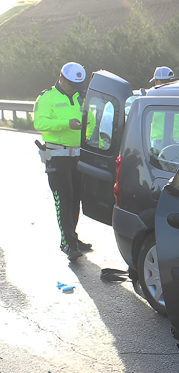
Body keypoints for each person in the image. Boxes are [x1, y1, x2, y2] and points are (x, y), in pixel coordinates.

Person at [33, 62, 92, 261]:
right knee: (64, 200)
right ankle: (66, 242)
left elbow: (89, 122)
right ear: (62, 78)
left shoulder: (80, 98)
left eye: (78, 85)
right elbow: (39, 122)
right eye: (72, 84)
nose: (75, 88)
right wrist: (65, 124)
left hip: (78, 156)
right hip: (57, 157)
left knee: (76, 200)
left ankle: (72, 237)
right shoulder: (47, 97)